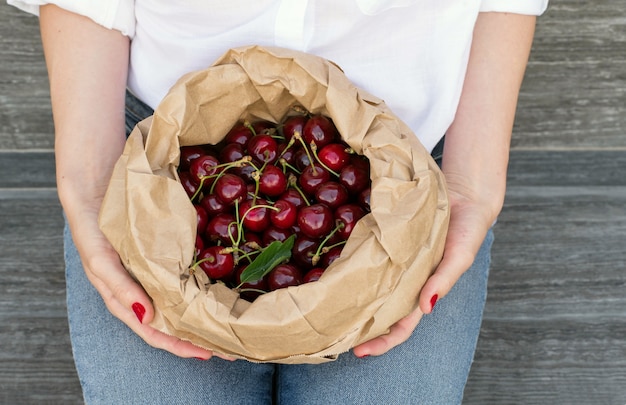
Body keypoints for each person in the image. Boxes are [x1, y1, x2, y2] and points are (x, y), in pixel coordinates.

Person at [9, 1, 548, 403]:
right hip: (160, 164)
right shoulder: (223, 187)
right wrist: (89, 181)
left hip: (400, 181)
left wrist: (471, 182)